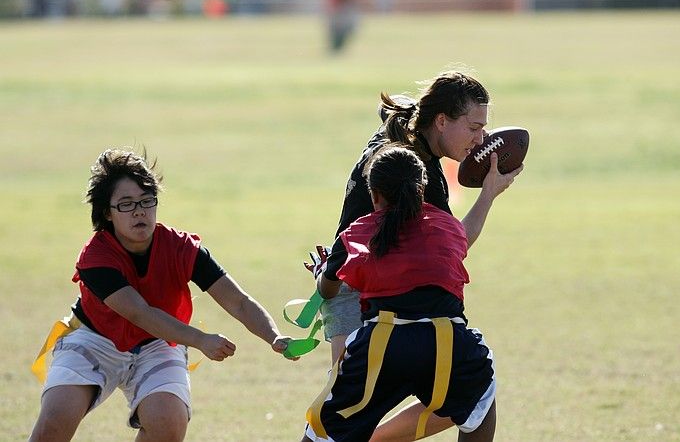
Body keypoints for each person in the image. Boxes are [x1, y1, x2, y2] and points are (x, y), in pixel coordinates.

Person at [29, 148, 294, 442]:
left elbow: (239, 301)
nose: (140, 211)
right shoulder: (96, 256)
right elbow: (139, 313)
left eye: (146, 201)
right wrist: (201, 340)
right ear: (107, 212)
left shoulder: (182, 248)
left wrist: (273, 336)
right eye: (126, 204)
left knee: (168, 424)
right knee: (55, 422)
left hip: (158, 342)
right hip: (94, 338)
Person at [314, 70, 522, 440]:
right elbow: (451, 247)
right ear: (441, 121)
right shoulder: (417, 170)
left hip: (352, 276)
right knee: (358, 412)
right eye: (474, 127)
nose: (482, 139)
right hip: (362, 285)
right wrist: (489, 193)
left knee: (357, 413)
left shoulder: (405, 141)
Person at [302, 145, 500, 441]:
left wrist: (322, 273)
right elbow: (458, 241)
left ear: (374, 195)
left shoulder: (358, 231)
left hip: (384, 342)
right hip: (446, 340)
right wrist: (489, 193)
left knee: (324, 431)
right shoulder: (446, 225)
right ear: (422, 189)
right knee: (480, 402)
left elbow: (329, 291)